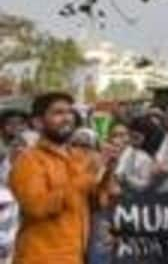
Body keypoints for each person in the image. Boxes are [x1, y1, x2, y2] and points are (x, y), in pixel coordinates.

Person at [10, 92, 113, 264]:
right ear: (38, 122)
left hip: (76, 256)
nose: (67, 118)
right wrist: (88, 175)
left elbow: (97, 203)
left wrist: (107, 169)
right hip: (40, 257)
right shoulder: (29, 160)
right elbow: (37, 207)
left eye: (69, 112)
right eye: (58, 113)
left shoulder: (79, 157)